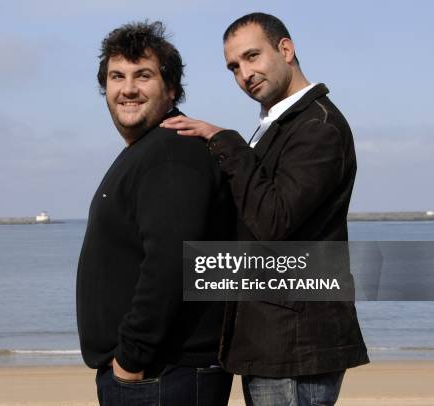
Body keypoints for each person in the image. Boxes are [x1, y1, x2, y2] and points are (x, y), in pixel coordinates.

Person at [161, 12, 369, 406]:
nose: (245, 73)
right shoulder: (278, 124)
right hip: (273, 342)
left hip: (295, 348)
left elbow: (273, 221)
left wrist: (225, 139)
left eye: (252, 56)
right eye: (234, 67)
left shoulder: (317, 127)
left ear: (286, 50)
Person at [76, 21, 233, 406]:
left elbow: (171, 260)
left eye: (143, 75)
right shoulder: (148, 150)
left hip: (164, 375)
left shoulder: (171, 152)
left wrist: (131, 358)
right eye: (117, 76)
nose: (128, 88)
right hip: (157, 375)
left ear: (172, 89)